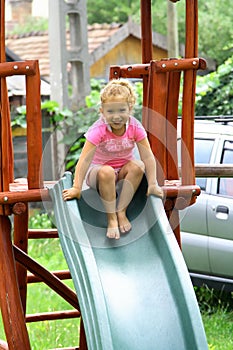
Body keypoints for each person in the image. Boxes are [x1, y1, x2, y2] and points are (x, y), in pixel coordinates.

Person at [63, 79, 163, 239]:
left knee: (138, 165)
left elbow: (148, 156)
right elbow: (84, 160)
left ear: (130, 109)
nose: (116, 117)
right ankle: (112, 219)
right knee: (107, 171)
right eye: (110, 112)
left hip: (123, 173)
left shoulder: (135, 127)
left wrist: (152, 184)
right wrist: (76, 187)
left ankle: (121, 211)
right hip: (98, 174)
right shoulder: (99, 129)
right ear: (102, 111)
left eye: (121, 110)